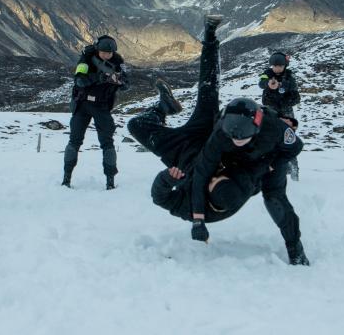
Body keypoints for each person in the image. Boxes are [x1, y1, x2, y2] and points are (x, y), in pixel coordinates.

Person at [127, 16, 309, 265]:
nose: (213, 177)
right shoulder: (227, 134)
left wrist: (178, 192)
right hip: (212, 139)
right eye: (217, 178)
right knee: (208, 91)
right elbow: (204, 170)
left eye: (212, 182)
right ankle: (209, 39)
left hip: (195, 150)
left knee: (275, 198)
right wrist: (199, 220)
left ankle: (295, 249)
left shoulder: (265, 135)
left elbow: (294, 148)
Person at [63, 34, 129, 190]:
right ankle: (66, 178)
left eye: (109, 53)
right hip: (83, 104)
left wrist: (120, 81)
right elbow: (79, 80)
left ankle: (110, 181)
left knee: (107, 143)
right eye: (103, 52)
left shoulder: (118, 62)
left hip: (102, 107)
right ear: (98, 50)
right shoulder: (86, 59)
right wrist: (98, 78)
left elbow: (127, 83)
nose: (106, 55)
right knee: (74, 141)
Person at [258, 51, 302, 180]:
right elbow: (261, 83)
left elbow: (293, 87)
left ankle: (293, 170)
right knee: (270, 138)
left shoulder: (289, 76)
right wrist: (268, 84)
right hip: (271, 111)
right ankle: (271, 170)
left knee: (289, 138)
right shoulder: (267, 73)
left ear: (285, 66)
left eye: (280, 66)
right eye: (275, 66)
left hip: (286, 111)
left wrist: (281, 85)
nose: (277, 68)